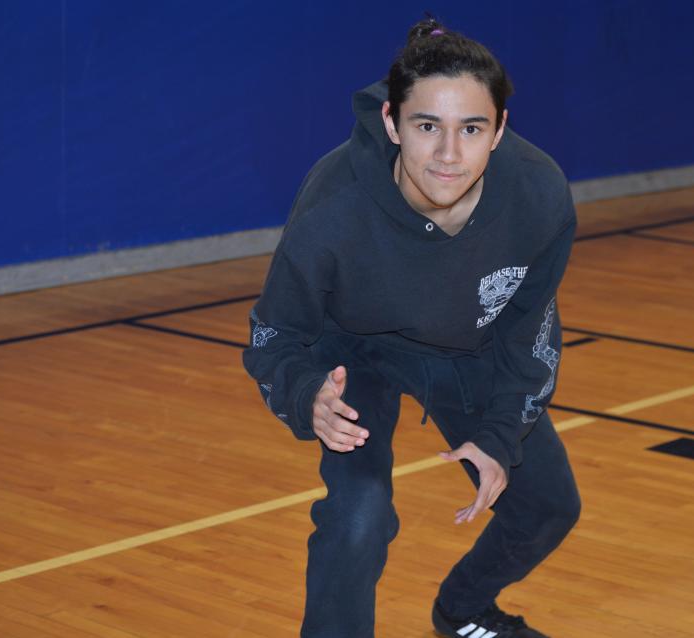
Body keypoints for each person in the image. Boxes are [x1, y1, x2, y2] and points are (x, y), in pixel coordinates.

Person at [242, 17, 580, 638]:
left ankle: (463, 612)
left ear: (500, 129)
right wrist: (304, 392)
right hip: (354, 352)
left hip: (470, 348)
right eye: (428, 127)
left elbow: (529, 339)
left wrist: (502, 436)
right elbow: (275, 335)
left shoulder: (539, 196)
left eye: (471, 129)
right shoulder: (332, 205)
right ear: (394, 124)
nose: (449, 155)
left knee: (547, 507)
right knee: (357, 518)